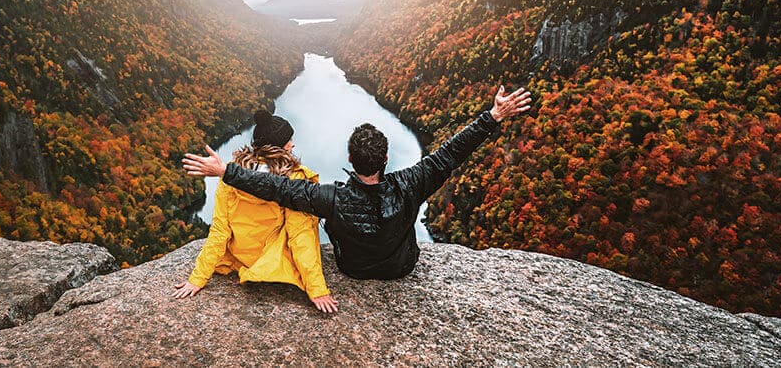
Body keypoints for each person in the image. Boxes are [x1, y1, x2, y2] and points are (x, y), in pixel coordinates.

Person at [183, 85, 532, 280]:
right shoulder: (411, 183)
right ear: (385, 158)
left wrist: (226, 171)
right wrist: (493, 116)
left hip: (352, 269)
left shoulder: (329, 198)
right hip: (401, 268)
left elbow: (276, 188)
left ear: (350, 160)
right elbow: (450, 154)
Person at [173, 110, 338, 313]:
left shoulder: (232, 174)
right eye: (289, 140)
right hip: (271, 260)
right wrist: (317, 289)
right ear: (277, 147)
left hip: (239, 255)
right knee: (305, 219)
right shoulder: (294, 178)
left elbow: (220, 230)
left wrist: (197, 279)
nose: (292, 144)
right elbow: (300, 236)